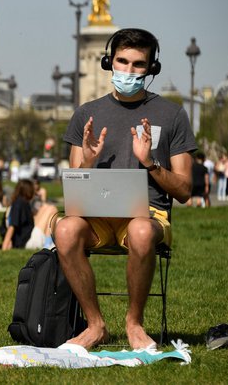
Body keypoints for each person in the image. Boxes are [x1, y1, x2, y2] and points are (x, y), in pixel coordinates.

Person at [53, 28, 196, 350]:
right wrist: (88, 160)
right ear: (109, 62)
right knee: (64, 230)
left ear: (151, 69)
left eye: (138, 65)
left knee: (142, 232)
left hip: (148, 217)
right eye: (122, 62)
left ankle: (134, 324)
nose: (128, 71)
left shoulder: (172, 115)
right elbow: (75, 182)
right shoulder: (86, 114)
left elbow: (185, 190)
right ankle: (95, 325)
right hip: (96, 218)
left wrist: (150, 163)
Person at [0, 179, 58, 251]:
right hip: (28, 242)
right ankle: (47, 245)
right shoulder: (18, 204)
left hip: (29, 236)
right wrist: (5, 246)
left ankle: (48, 242)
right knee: (52, 209)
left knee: (47, 208)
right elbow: (12, 226)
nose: (34, 192)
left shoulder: (23, 202)